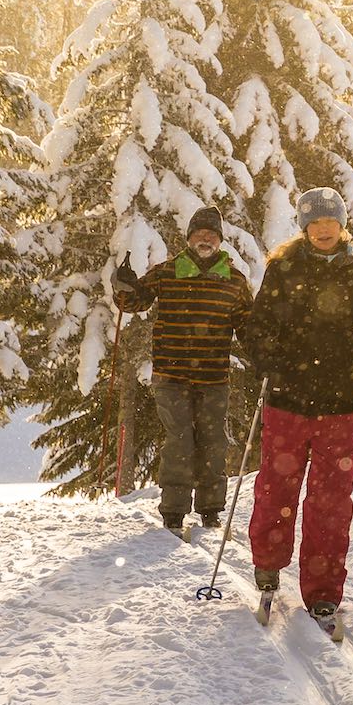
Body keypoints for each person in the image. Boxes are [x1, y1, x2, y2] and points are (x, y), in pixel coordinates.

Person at [241, 186, 353, 629]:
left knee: (331, 502)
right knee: (277, 489)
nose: (323, 229)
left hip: (340, 402)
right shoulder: (282, 271)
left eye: (330, 222)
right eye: (315, 222)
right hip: (288, 400)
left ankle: (322, 591)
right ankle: (267, 565)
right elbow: (257, 326)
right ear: (303, 226)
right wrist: (268, 354)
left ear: (342, 226)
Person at [113, 205, 253, 534]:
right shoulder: (168, 271)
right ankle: (174, 512)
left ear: (219, 240)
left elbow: (247, 326)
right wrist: (124, 286)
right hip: (171, 375)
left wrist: (265, 342)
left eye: (211, 234)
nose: (205, 238)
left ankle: (210, 510)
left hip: (214, 377)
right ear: (189, 238)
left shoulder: (234, 280)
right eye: (199, 233)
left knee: (213, 442)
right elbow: (135, 302)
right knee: (179, 441)